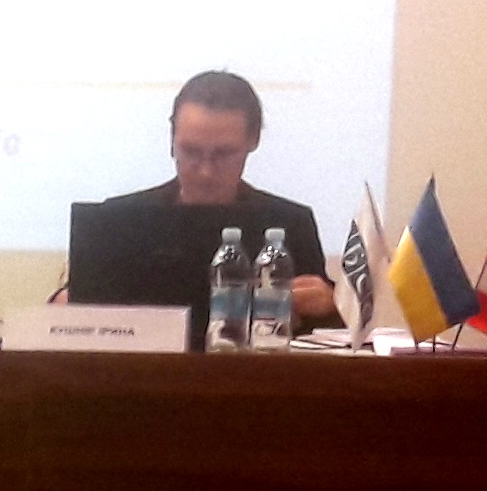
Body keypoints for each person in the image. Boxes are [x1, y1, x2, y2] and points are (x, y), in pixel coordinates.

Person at [97, 70, 339, 328]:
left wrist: (330, 305)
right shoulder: (119, 221)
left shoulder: (290, 224)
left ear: (253, 140)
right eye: (191, 151)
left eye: (223, 154)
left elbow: (326, 336)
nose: (206, 171)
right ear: (172, 140)